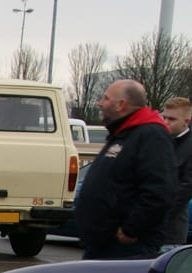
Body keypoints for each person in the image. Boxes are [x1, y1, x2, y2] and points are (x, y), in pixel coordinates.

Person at [74, 79, 177, 260]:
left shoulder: (151, 135)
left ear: (121, 105)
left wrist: (131, 228)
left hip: (126, 247)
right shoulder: (123, 134)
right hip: (102, 243)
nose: (100, 103)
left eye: (106, 98)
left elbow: (160, 191)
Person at [161, 95, 192, 249]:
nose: (165, 123)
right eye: (164, 117)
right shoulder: (161, 142)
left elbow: (186, 188)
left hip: (171, 232)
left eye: (171, 119)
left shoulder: (189, 147)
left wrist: (156, 211)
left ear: (186, 122)